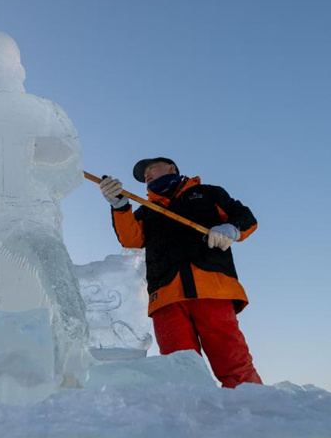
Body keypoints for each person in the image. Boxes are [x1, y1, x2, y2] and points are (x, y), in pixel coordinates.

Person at [99, 157, 262, 388]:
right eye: (143, 174)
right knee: (180, 371)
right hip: (165, 296)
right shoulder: (148, 210)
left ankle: (254, 415)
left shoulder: (208, 194)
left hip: (212, 288)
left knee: (232, 362)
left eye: (150, 168)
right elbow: (132, 239)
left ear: (171, 168)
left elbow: (246, 217)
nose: (146, 175)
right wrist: (120, 206)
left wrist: (231, 229)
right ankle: (193, 421)